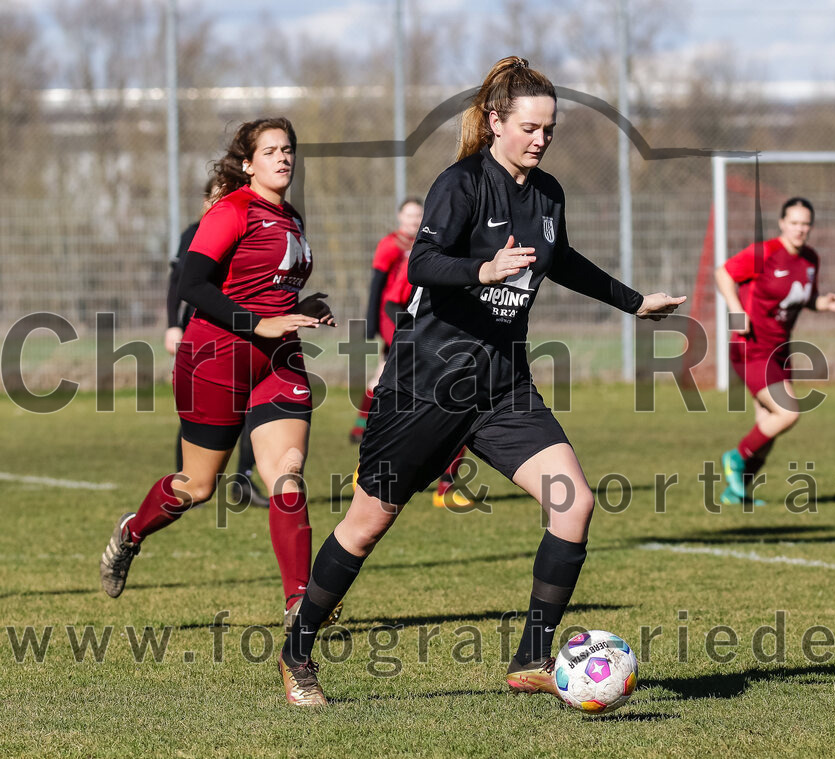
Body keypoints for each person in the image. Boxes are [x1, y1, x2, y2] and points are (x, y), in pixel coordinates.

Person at [276, 56, 685, 707]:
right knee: (365, 526)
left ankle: (531, 656)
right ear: (496, 121)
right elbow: (424, 261)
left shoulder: (547, 194)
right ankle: (297, 653)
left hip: (501, 387)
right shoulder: (462, 183)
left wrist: (635, 303)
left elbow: (564, 259)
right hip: (425, 385)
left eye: (548, 128)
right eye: (529, 126)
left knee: (573, 501)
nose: (540, 138)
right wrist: (483, 270)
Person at [100, 117, 341, 633]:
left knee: (288, 474)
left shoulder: (292, 217)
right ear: (248, 163)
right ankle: (131, 533)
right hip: (216, 358)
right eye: (271, 150)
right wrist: (260, 322)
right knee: (197, 486)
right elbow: (193, 284)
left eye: (289, 149)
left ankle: (299, 605)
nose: (283, 158)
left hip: (278, 359)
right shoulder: (231, 210)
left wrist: (302, 306)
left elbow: (265, 289)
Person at [715, 197, 835, 505]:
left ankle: (737, 490)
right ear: (782, 223)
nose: (800, 229)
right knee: (788, 412)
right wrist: (736, 310)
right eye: (795, 222)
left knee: (768, 427)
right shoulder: (765, 252)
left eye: (805, 224)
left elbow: (804, 297)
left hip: (779, 350)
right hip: (751, 346)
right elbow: (723, 274)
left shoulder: (811, 259)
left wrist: (823, 303)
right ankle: (736, 457)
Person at [349, 196, 476, 508]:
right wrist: (377, 326)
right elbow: (386, 295)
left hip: (447, 337)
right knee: (398, 392)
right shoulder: (399, 249)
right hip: (409, 328)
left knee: (463, 400)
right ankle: (370, 464)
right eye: (408, 216)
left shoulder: (457, 249)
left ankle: (445, 486)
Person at [166, 177, 269, 508]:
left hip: (246, 334)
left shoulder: (255, 229)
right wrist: (171, 326)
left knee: (254, 410)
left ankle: (243, 481)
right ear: (208, 199)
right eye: (219, 194)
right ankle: (187, 479)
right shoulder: (197, 231)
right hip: (203, 333)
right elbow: (179, 282)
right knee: (203, 412)